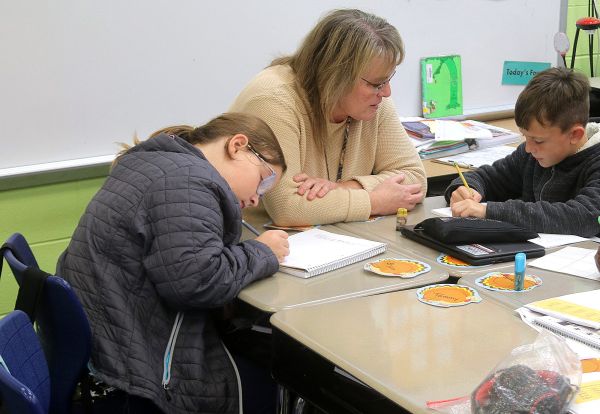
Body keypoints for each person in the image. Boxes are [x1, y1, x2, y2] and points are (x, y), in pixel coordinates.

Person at [56, 113, 289, 414]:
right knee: (275, 377)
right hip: (132, 373)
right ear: (238, 146)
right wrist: (263, 252)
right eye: (263, 181)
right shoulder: (189, 181)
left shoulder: (157, 162)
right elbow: (197, 282)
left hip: (109, 348)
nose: (257, 199)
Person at [230, 9, 427, 226]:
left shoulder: (373, 101)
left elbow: (415, 178)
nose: (386, 92)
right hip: (254, 237)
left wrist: (342, 188)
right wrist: (374, 201)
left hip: (329, 233)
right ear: (336, 75)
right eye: (376, 84)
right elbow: (287, 207)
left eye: (387, 80)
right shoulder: (273, 101)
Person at [444, 67, 600, 237]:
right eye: (525, 136)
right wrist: (466, 189)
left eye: (538, 140)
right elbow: (488, 177)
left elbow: (585, 217)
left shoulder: (595, 162)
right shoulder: (531, 155)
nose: (528, 148)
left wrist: (489, 211)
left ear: (575, 135)